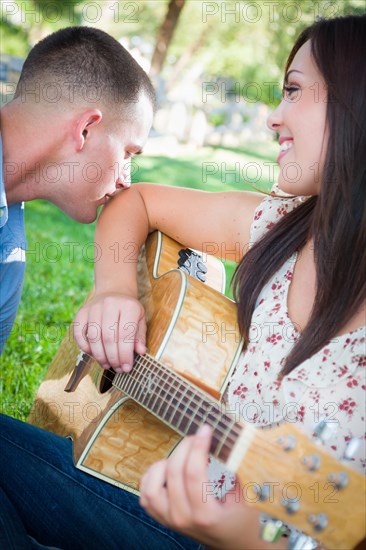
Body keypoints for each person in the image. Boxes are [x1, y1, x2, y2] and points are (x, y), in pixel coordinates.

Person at [0, 14, 364, 550]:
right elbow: (136, 201)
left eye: (293, 91)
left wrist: (249, 542)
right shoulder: (278, 227)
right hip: (158, 507)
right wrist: (115, 290)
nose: (273, 117)